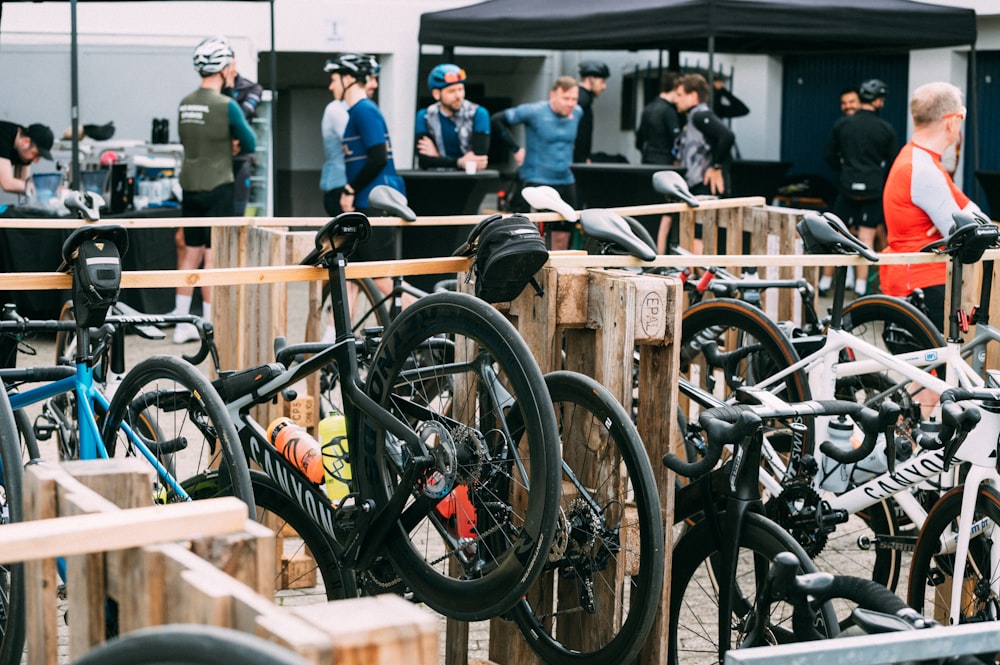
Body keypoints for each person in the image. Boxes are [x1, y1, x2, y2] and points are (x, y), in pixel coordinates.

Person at [173, 35, 256, 344]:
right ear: (223, 69)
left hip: (190, 186)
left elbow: (186, 140)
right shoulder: (227, 105)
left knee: (190, 254)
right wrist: (230, 143)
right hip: (220, 185)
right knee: (213, 258)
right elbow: (249, 143)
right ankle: (209, 324)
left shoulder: (185, 103)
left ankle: (182, 323)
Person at [880, 82, 978, 333]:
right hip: (923, 288)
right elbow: (965, 234)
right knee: (934, 371)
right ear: (951, 122)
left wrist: (956, 219)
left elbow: (973, 213)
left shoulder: (921, 160)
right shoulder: (923, 170)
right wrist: (957, 221)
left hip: (916, 283)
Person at [824, 78, 897, 297]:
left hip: (847, 187)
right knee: (866, 239)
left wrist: (845, 170)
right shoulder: (886, 129)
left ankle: (826, 282)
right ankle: (861, 288)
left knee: (836, 235)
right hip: (873, 191)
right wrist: (877, 176)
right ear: (878, 101)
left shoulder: (842, 125)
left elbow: (829, 156)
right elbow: (893, 161)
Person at [491, 76, 582, 251]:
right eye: (566, 98)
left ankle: (558, 273)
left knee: (563, 233)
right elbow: (496, 120)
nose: (571, 103)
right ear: (552, 95)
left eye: (574, 99)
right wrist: (516, 149)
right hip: (537, 178)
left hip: (565, 179)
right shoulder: (534, 111)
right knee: (532, 236)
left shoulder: (577, 112)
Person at [635, 71, 681, 253]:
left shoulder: (648, 108)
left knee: (650, 212)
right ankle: (661, 256)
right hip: (666, 167)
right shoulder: (669, 111)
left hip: (647, 163)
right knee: (666, 213)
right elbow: (677, 140)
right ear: (676, 88)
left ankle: (648, 251)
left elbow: (638, 141)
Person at [414, 64, 490, 172]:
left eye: (460, 89)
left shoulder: (479, 113)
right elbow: (424, 160)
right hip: (435, 180)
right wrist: (460, 162)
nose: (458, 95)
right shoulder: (425, 116)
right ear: (436, 94)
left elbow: (478, 160)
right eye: (451, 91)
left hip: (470, 182)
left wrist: (437, 156)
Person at [227, 71, 262, 216]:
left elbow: (242, 113)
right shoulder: (215, 89)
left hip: (241, 160)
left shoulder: (252, 88)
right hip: (220, 161)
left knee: (238, 214)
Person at [320, 59, 350, 217]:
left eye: (333, 81)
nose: (330, 87)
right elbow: (355, 142)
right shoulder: (335, 108)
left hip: (344, 184)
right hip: (339, 186)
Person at [0, 121, 54, 195]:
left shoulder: (22, 146)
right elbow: (7, 184)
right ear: (26, 142)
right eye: (35, 154)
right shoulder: (3, 136)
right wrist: (44, 189)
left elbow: (24, 186)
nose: (36, 161)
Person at [573, 60, 609, 164]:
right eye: (602, 81)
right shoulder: (582, 100)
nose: (604, 87)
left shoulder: (582, 98)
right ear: (590, 79)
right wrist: (581, 158)